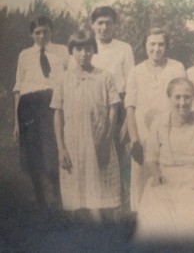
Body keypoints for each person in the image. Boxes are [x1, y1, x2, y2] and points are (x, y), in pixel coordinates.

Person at [135, 78, 194, 242]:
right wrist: (156, 174)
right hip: (166, 180)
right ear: (169, 98)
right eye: (177, 97)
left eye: (187, 97)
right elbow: (151, 157)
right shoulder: (159, 122)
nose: (183, 102)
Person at [51, 30, 121, 221]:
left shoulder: (104, 76)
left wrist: (106, 141)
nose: (83, 54)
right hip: (73, 145)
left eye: (88, 49)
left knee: (102, 202)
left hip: (99, 142)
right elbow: (58, 113)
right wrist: (61, 148)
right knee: (77, 201)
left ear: (94, 50)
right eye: (78, 49)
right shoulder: (64, 78)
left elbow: (112, 110)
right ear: (71, 51)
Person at [125, 28, 186, 213]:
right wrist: (134, 139)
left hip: (170, 132)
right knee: (141, 178)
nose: (156, 48)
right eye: (152, 44)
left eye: (161, 44)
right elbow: (130, 107)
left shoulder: (177, 68)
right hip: (143, 135)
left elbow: (183, 101)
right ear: (145, 46)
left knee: (169, 175)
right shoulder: (135, 72)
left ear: (166, 46)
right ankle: (140, 219)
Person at [13, 15, 68, 211]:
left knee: (52, 150)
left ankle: (59, 197)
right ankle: (40, 201)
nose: (42, 35)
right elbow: (18, 88)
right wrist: (17, 122)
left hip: (51, 103)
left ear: (52, 31)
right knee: (32, 153)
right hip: (28, 106)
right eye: (37, 32)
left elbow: (68, 80)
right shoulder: (24, 55)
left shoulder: (62, 51)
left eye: (45, 31)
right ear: (31, 34)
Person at [89, 6, 135, 209]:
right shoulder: (87, 47)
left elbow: (131, 83)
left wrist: (127, 118)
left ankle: (123, 195)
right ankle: (99, 195)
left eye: (108, 22)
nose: (104, 27)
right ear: (92, 26)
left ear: (114, 25)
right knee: (96, 147)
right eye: (100, 23)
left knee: (119, 150)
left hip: (120, 103)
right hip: (94, 104)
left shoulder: (124, 48)